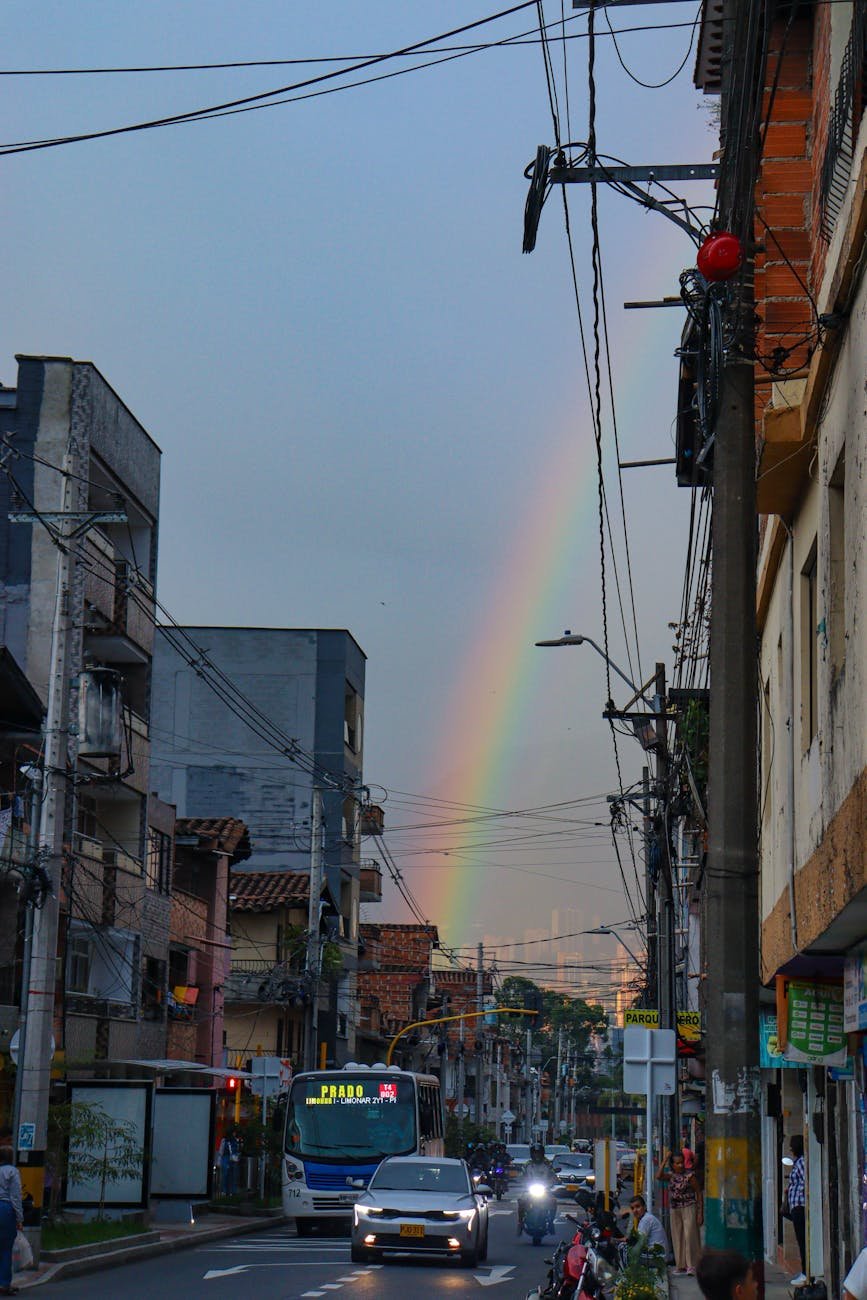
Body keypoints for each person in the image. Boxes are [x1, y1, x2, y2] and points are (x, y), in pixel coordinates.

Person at [657, 1147, 702, 1274]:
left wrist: (700, 1213)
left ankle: (692, 1265)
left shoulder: (690, 1176)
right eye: (677, 1163)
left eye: (682, 1162)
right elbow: (658, 1176)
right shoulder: (671, 1175)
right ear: (673, 1164)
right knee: (678, 1235)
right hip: (675, 1208)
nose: (680, 1165)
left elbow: (699, 1193)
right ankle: (681, 1264)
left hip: (689, 1207)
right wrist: (665, 1159)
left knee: (690, 1235)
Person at [516, 1143, 557, 1235]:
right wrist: (520, 1179)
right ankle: (520, 1223)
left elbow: (553, 1175)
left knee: (553, 1201)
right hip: (530, 1189)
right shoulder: (527, 1165)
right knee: (521, 1201)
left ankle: (551, 1223)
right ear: (532, 1154)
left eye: (538, 1153)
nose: (537, 1155)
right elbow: (521, 1175)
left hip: (545, 1189)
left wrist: (554, 1180)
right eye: (535, 1153)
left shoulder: (547, 1164)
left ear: (542, 1153)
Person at [0, 1146, 23, 1296]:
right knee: (5, 1248)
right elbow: (15, 1196)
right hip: (5, 1209)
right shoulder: (12, 1171)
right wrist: (19, 1218)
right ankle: (4, 1283)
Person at [785, 1134, 807, 1286]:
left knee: (803, 1240)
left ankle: (806, 1272)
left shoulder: (801, 1163)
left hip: (800, 1206)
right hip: (796, 1206)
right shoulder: (798, 1162)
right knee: (801, 1240)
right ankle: (805, 1271)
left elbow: (806, 1181)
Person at [219, 1129, 240, 1197]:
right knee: (232, 1175)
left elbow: (221, 1151)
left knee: (226, 1175)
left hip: (226, 1158)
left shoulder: (225, 1141)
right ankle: (231, 1190)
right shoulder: (235, 1141)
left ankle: (225, 1190)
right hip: (232, 1158)